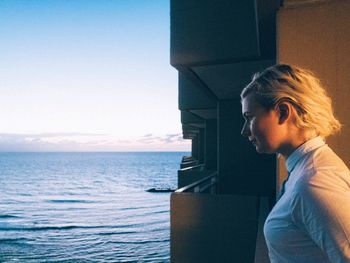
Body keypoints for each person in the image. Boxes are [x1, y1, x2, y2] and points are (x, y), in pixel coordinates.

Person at [240, 64, 350, 262]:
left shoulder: (315, 182)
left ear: (282, 112)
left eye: (249, 118)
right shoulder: (306, 170)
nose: (245, 131)